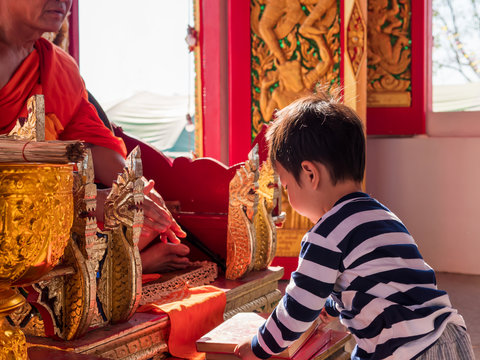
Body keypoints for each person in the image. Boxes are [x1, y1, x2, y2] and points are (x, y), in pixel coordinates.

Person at [235, 93, 474, 359]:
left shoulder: (325, 234)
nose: (288, 197)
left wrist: (259, 347)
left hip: (406, 350)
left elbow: (299, 308)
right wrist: (333, 305)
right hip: (450, 336)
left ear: (310, 174)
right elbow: (376, 282)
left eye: (287, 185)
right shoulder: (382, 216)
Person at [0, 0, 190, 273]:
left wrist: (139, 193)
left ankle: (122, 265)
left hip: (43, 234)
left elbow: (102, 152)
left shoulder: (60, 69)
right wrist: (92, 202)